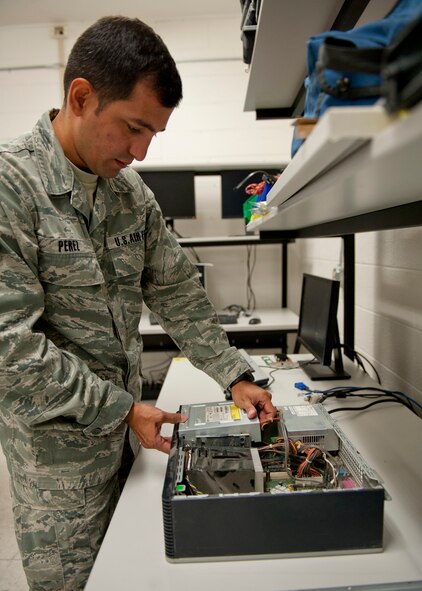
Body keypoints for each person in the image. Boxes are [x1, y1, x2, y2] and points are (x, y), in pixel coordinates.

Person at [0, 15, 275, 590]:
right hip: (59, 472)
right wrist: (122, 407)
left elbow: (177, 290)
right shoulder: (12, 188)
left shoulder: (130, 194)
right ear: (81, 96)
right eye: (133, 127)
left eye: (154, 134)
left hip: (131, 441)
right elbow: (9, 352)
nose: (142, 151)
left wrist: (236, 376)